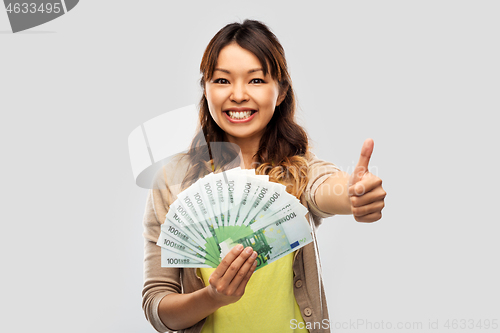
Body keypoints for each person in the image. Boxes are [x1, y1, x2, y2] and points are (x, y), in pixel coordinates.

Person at [142, 19, 386, 333]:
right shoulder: (172, 180)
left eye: (256, 80)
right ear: (205, 88)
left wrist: (352, 195)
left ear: (281, 91)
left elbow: (323, 188)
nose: (239, 95)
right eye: (222, 80)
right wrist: (213, 297)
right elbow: (158, 307)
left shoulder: (299, 170)